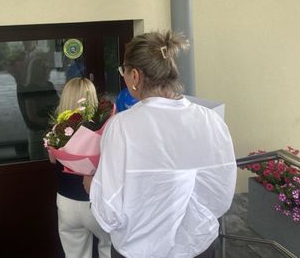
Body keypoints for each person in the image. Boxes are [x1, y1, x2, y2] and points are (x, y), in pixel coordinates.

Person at [86, 31, 237, 258]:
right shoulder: (210, 120)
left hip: (137, 251)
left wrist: (92, 186)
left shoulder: (122, 127)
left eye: (123, 71)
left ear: (135, 75)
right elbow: (220, 196)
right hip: (198, 247)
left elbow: (110, 213)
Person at [51, 77, 111, 258]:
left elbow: (53, 159)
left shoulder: (58, 129)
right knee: (108, 247)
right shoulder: (103, 126)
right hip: (95, 200)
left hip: (67, 201)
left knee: (75, 254)